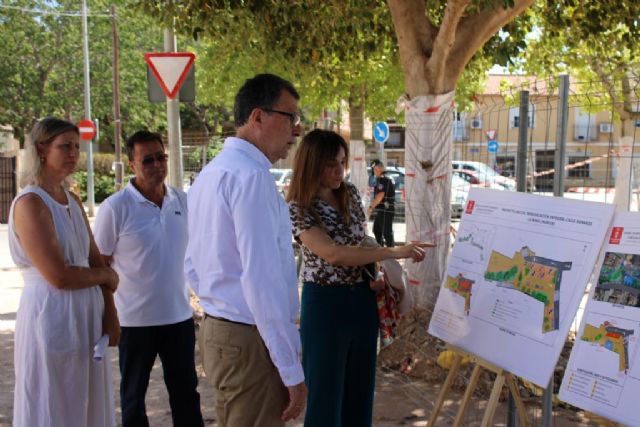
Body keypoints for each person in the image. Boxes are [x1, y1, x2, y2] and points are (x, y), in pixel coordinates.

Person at [287, 129, 431, 427]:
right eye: (331, 164)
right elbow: (333, 253)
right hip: (325, 304)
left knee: (360, 395)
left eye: (342, 162)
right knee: (325, 399)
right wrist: (393, 252)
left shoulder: (349, 192)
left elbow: (359, 240)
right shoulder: (298, 206)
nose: (339, 171)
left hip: (363, 300)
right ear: (311, 164)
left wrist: (377, 274)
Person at [185, 73, 306, 426]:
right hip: (249, 338)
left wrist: (219, 302)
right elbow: (261, 283)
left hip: (221, 329)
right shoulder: (251, 178)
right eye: (291, 118)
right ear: (258, 117)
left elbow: (191, 264)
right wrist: (290, 368)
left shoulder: (212, 173)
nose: (297, 131)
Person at [9, 117, 119, 426]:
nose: (73, 154)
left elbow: (94, 259)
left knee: (86, 403)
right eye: (65, 146)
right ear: (42, 149)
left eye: (76, 147)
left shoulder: (71, 200)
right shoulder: (31, 203)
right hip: (52, 315)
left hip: (86, 319)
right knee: (54, 401)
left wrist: (110, 312)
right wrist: (106, 277)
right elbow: (58, 275)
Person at [93, 131, 204, 427]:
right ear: (132, 164)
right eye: (147, 160)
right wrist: (109, 314)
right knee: (133, 399)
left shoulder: (182, 200)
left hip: (178, 318)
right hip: (133, 322)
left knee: (186, 395)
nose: (157, 165)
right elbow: (100, 265)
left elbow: (195, 254)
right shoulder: (115, 208)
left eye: (161, 157)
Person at [368, 159, 395, 247]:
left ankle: (391, 251)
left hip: (385, 210)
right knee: (377, 230)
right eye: (373, 169)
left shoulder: (383, 179)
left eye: (376, 169)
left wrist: (371, 208)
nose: (374, 171)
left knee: (387, 233)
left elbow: (380, 196)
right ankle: (381, 249)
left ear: (381, 168)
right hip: (382, 209)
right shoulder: (381, 178)